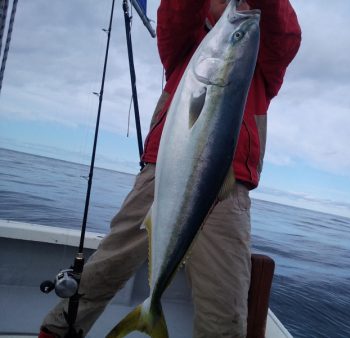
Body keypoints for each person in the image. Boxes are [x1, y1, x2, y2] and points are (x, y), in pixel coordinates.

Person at [39, 0, 301, 337]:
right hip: (160, 175)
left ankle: (153, 310)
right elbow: (175, 13)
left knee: (226, 305)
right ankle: (57, 332)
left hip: (226, 189)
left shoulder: (258, 54)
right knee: (107, 264)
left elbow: (285, 35)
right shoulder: (188, 47)